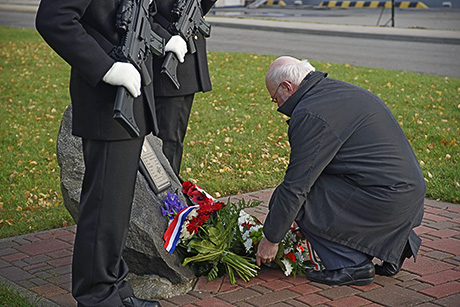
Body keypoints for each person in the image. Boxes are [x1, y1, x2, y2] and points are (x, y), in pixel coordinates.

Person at [35, 1, 166, 306]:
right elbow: (54, 19)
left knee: (116, 209)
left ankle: (113, 285)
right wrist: (105, 67)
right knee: (103, 208)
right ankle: (96, 295)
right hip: (107, 101)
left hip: (127, 98)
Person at [255, 56, 426, 286]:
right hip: (406, 196)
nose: (278, 106)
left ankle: (351, 265)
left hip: (387, 200)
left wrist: (271, 238)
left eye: (275, 98)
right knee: (311, 189)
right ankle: (395, 244)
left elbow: (297, 186)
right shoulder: (333, 91)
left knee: (295, 198)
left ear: (287, 87)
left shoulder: (309, 113)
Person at [151, 0, 216, 176]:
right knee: (166, 140)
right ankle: (166, 196)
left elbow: (202, 7)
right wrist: (166, 39)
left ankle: (170, 191)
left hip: (185, 66)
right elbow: (144, 16)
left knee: (174, 139)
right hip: (167, 63)